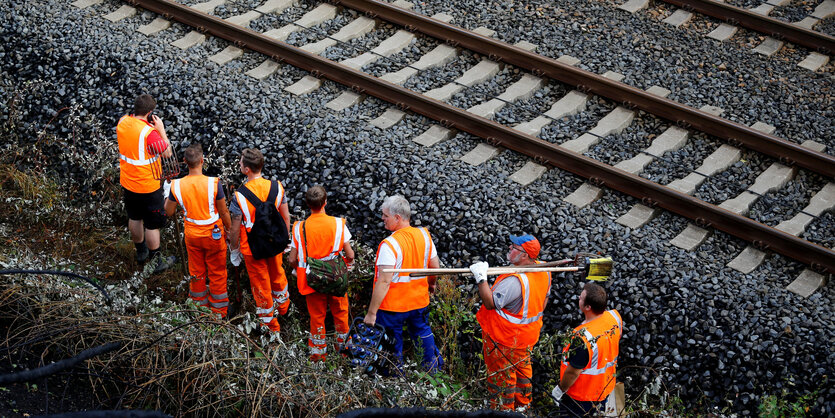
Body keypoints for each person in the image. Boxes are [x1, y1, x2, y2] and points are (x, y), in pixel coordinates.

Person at [469, 234, 552, 412]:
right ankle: (523, 406)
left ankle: (503, 410)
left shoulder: (515, 281)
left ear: (525, 256)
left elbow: (490, 303)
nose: (509, 249)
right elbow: (543, 300)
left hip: (504, 339)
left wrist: (481, 278)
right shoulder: (545, 269)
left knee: (501, 378)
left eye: (514, 247)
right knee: (523, 373)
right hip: (527, 337)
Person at [363, 195, 443, 373]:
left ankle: (393, 377)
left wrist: (371, 313)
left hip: (393, 307)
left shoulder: (390, 245)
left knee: (391, 342)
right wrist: (432, 285)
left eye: (385, 215)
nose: (382, 219)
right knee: (423, 334)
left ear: (397, 218)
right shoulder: (424, 235)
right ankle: (432, 371)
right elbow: (434, 266)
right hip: (419, 302)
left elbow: (384, 280)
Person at [164, 144, 232, 317]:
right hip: (214, 234)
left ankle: (198, 310)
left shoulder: (177, 186)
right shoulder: (214, 183)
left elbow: (169, 211)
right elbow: (223, 211)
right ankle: (219, 311)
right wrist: (230, 229)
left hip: (192, 235)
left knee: (196, 272)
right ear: (202, 161)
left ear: (185, 162)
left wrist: (167, 194)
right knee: (217, 271)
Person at [288, 186, 355, 361]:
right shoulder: (339, 224)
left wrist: (297, 269)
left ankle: (318, 355)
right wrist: (345, 267)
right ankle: (345, 352)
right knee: (341, 314)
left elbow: (291, 259)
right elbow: (350, 255)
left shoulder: (299, 227)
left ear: (308, 205)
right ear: (325, 202)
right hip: (336, 279)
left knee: (317, 317)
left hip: (311, 281)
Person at [228, 148, 291, 332]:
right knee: (278, 275)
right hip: (274, 243)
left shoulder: (240, 195)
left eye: (240, 163)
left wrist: (234, 250)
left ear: (247, 169)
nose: (239, 165)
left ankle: (271, 326)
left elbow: (235, 227)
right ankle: (284, 308)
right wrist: (284, 240)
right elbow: (286, 217)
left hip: (252, 249)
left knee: (261, 286)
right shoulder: (277, 187)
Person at [117, 93, 175, 273]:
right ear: (150, 113)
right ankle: (156, 261)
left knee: (134, 218)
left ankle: (141, 252)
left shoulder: (123, 122)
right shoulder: (149, 134)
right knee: (152, 224)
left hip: (128, 182)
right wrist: (161, 130)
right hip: (148, 186)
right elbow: (167, 153)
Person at [551, 282, 622, 417]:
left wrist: (560, 389)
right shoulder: (614, 317)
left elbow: (572, 373)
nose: (578, 297)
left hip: (581, 397)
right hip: (604, 387)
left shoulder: (583, 339)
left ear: (588, 307)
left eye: (581, 297)